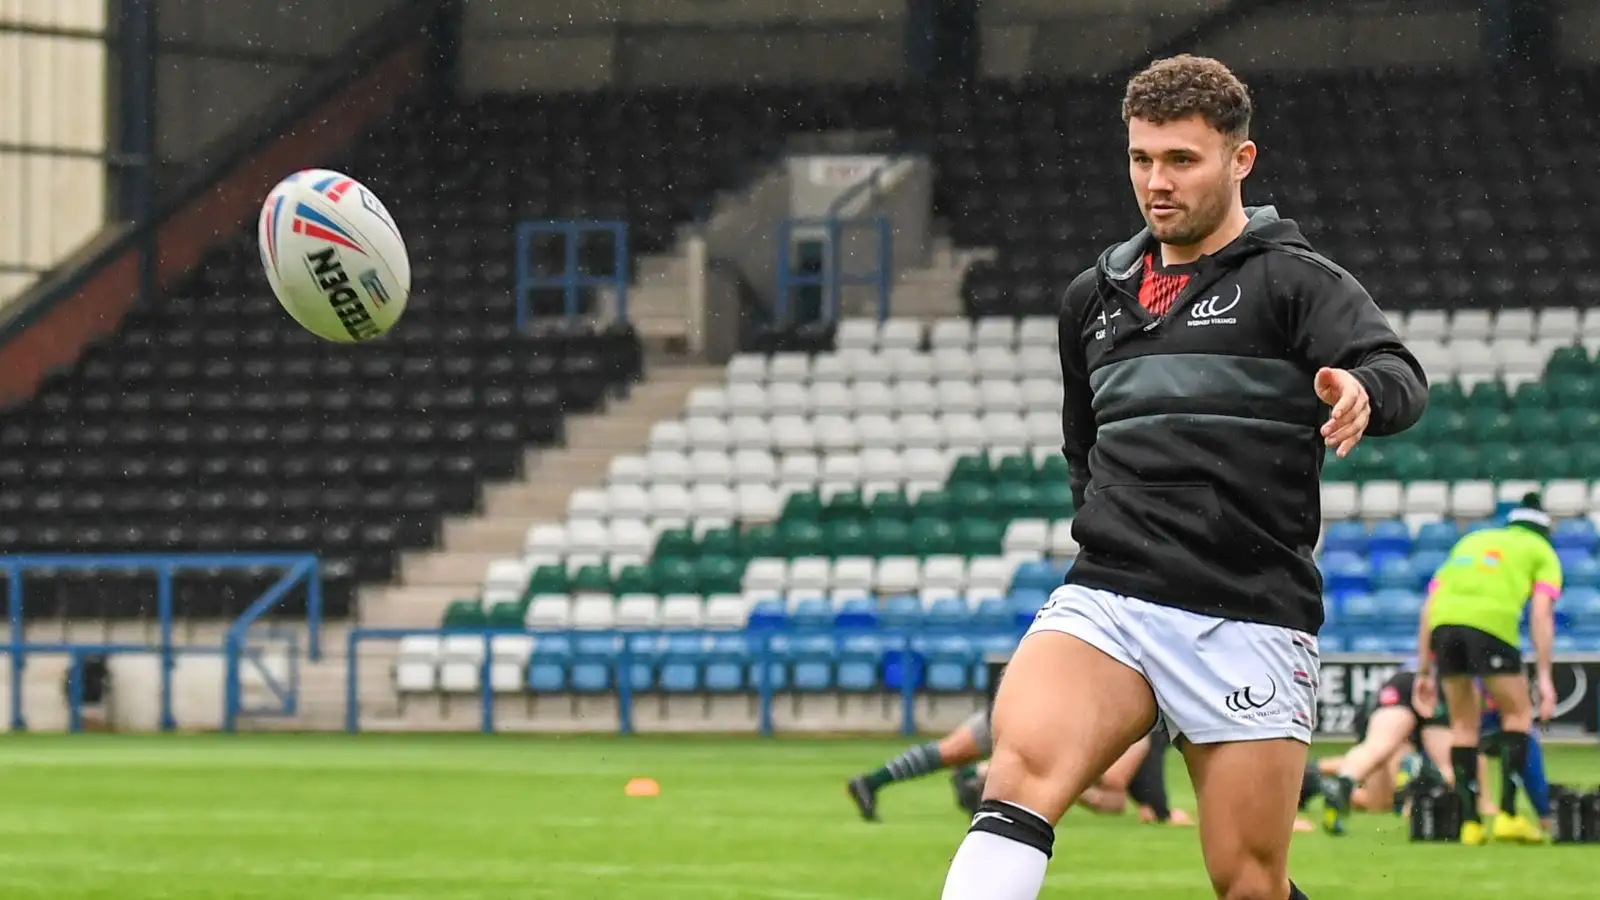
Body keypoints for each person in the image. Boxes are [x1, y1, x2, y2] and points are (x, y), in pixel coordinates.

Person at [937, 54, 1427, 900]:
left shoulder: (1296, 282)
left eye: (1181, 160)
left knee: (1248, 880)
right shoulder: (1091, 298)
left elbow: (1398, 372)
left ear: (1240, 160)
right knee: (1016, 781)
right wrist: (1111, 535)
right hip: (1111, 596)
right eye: (1141, 159)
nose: (1155, 182)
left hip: (1247, 612)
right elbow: (1081, 447)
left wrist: (1360, 392)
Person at [1413, 492, 1561, 845]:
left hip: (1445, 626)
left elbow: (1429, 604)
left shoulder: (1473, 540)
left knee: (1463, 726)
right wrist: (1544, 676)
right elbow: (1541, 614)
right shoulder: (1542, 552)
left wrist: (1423, 671)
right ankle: (1509, 817)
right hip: (1492, 628)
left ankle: (1471, 824)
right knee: (1518, 717)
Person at [1318, 665, 1451, 834]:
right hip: (1436, 685)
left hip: (1407, 681)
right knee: (1446, 768)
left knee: (1378, 752)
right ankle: (1413, 785)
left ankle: (1344, 779)